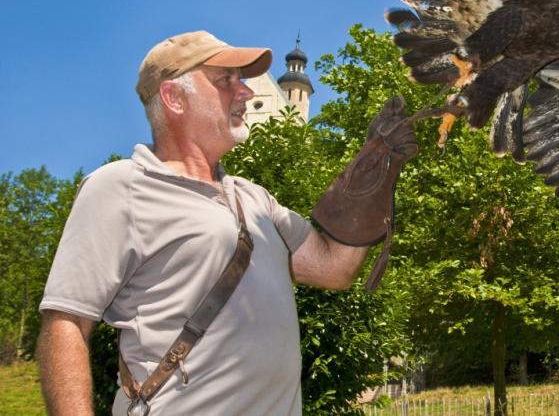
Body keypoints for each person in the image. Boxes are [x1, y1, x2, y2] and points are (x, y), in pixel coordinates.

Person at [36, 31, 417, 415]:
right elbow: (65, 322)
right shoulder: (121, 187)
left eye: (244, 80)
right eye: (226, 81)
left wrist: (375, 169)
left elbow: (336, 269)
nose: (247, 92)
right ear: (174, 97)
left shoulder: (255, 200)